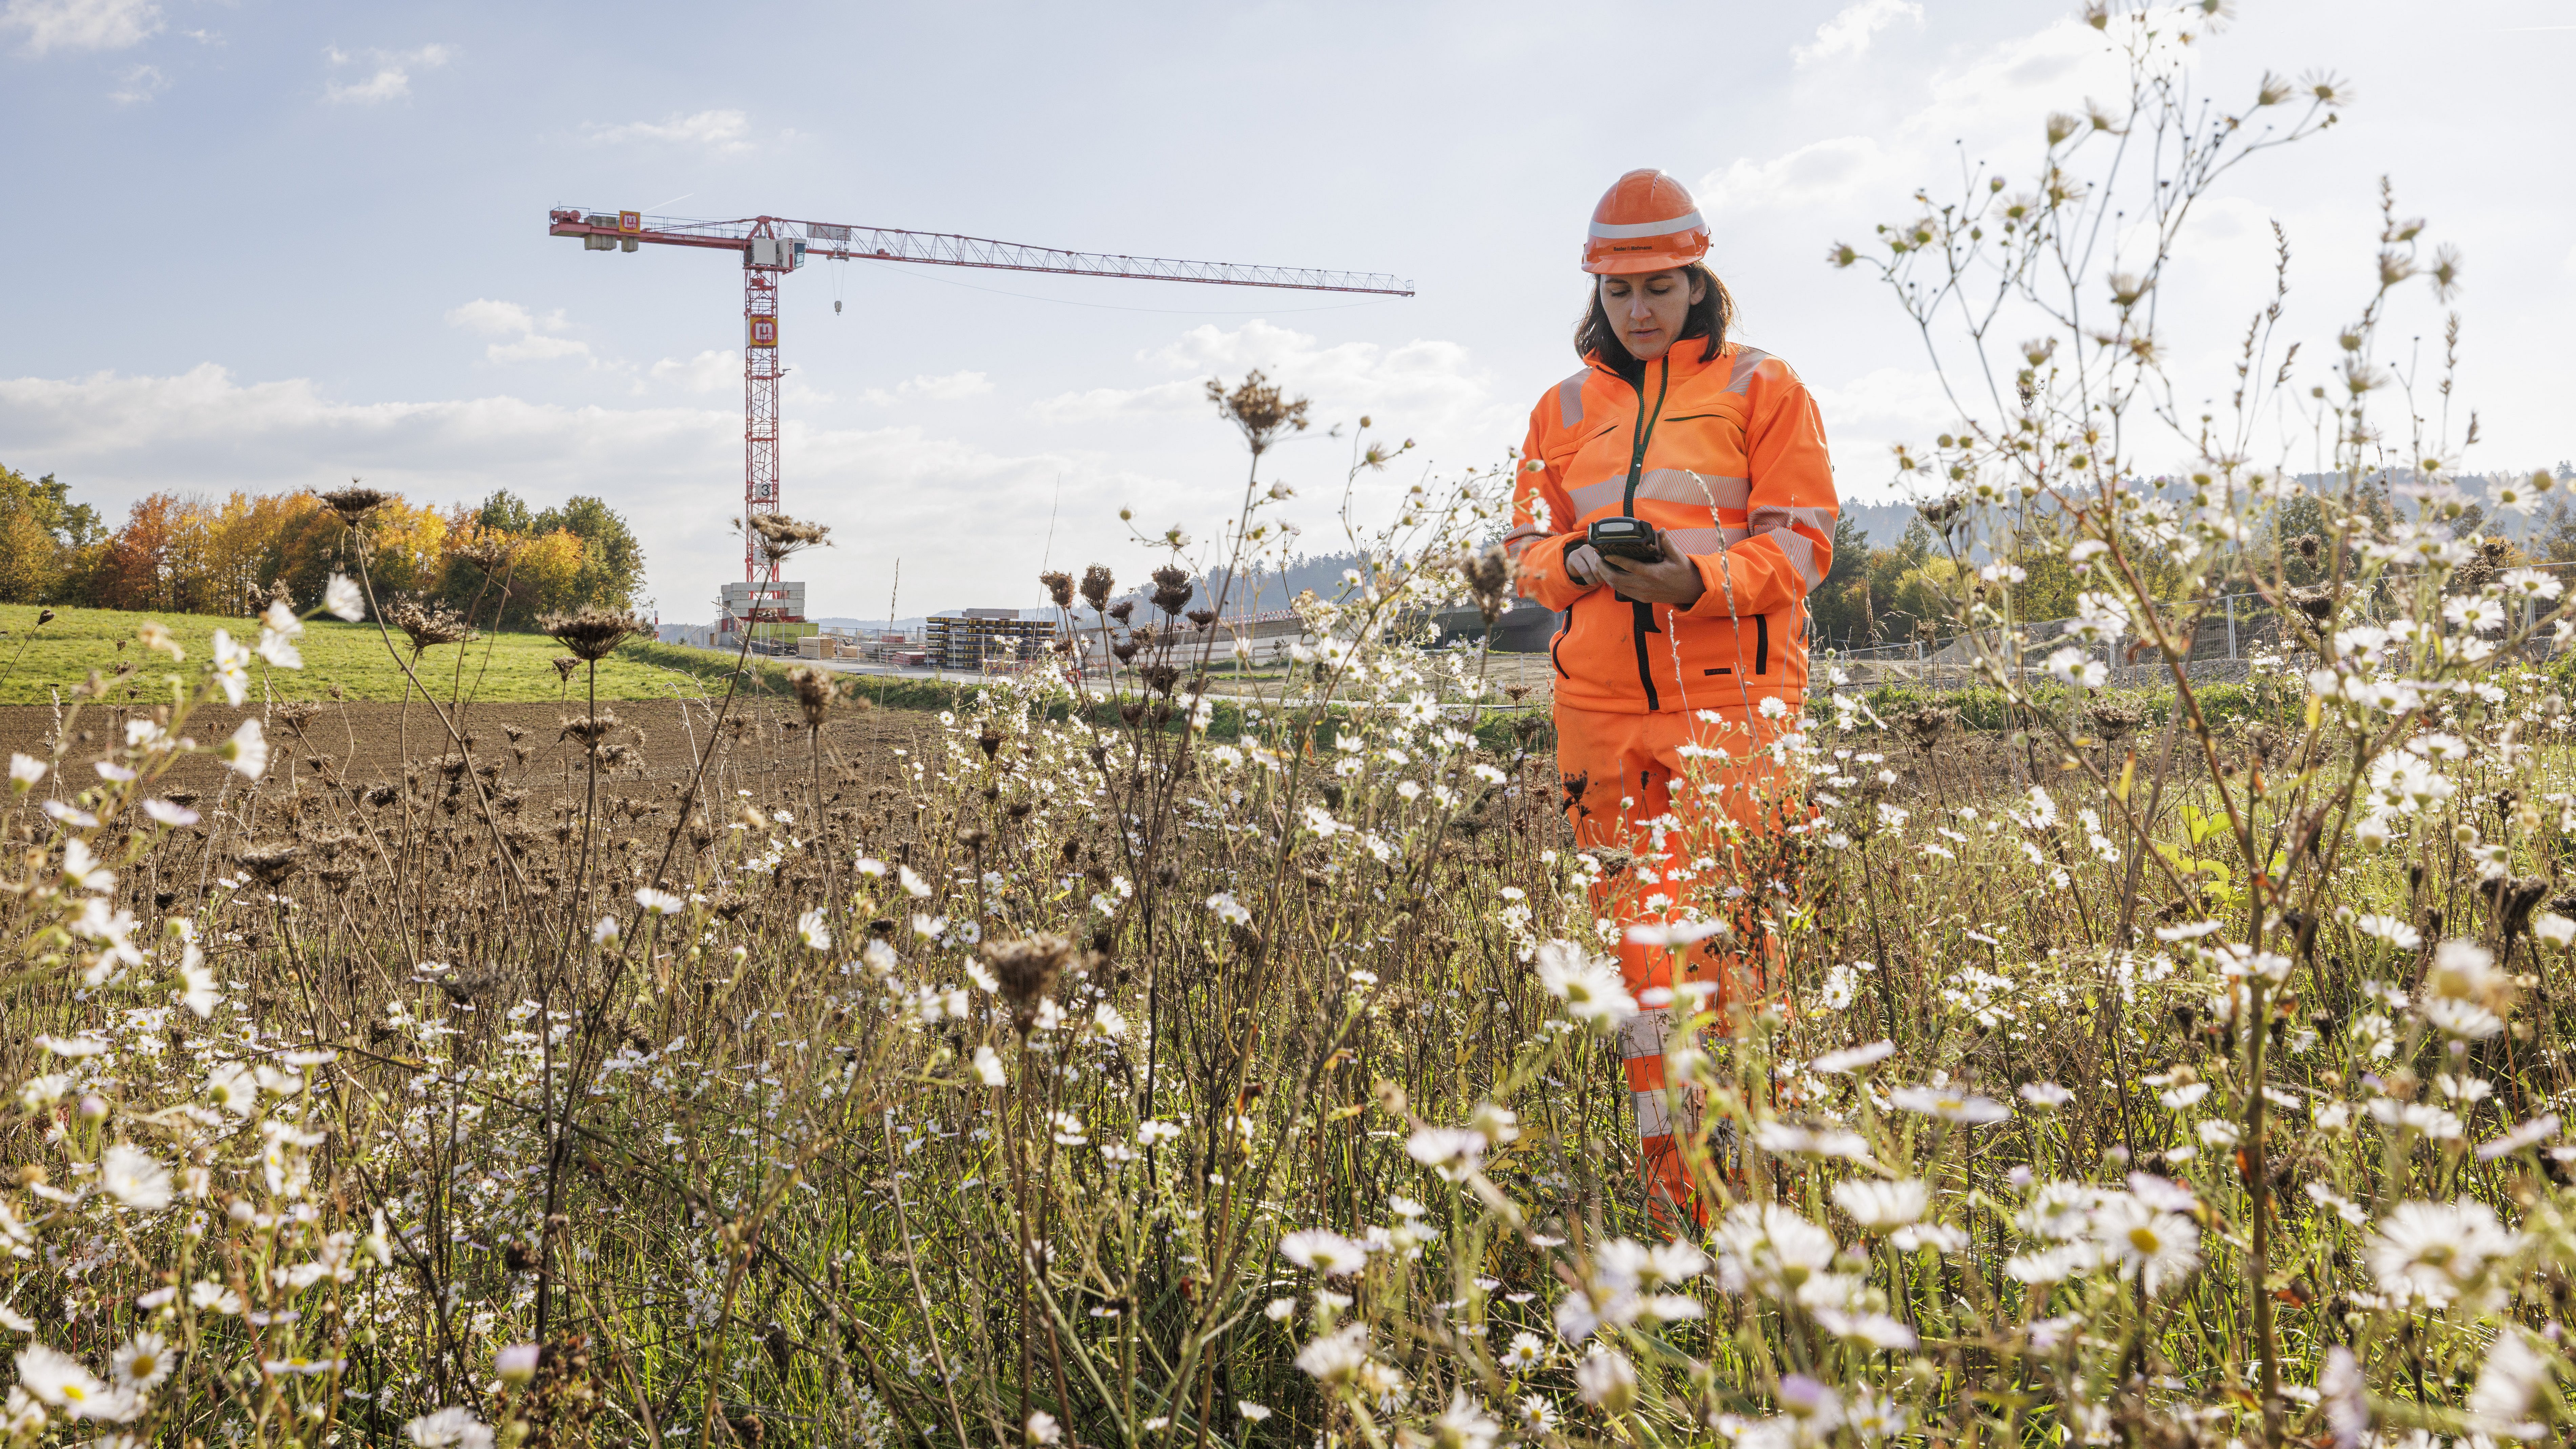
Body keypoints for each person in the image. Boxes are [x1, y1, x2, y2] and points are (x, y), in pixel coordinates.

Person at [1504, 168, 1837, 1224]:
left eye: (1659, 286)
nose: (1639, 309)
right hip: (1598, 718)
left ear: (1698, 283)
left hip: (1733, 707)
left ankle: (1757, 1194)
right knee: (1642, 965)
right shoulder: (1559, 409)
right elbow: (1523, 551)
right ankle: (1676, 1194)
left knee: (1735, 953)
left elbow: (1801, 544)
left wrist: (1694, 582)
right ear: (1595, 293)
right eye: (1620, 291)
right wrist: (1577, 564)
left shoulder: (1764, 387)